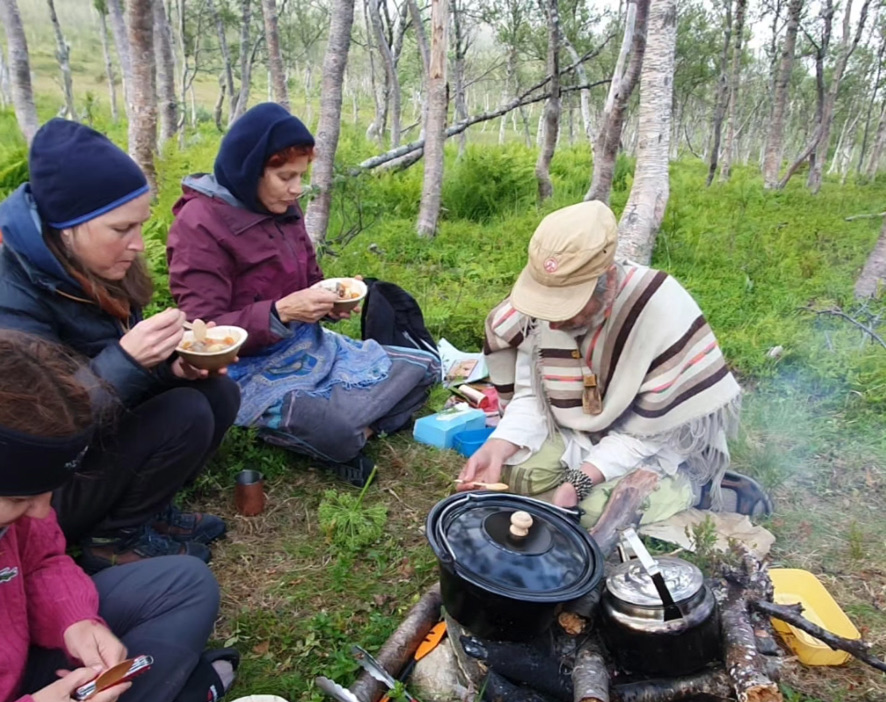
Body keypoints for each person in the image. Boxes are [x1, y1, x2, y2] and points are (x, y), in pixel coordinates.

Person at [0, 330, 239, 702]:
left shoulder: (24, 511)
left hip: (27, 681)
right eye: (17, 498)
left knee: (185, 584)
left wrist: (75, 620)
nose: (40, 512)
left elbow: (41, 561)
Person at [0, 119, 239, 573]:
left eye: (140, 226)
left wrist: (173, 368)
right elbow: (38, 431)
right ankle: (113, 540)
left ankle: (149, 510)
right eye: (120, 229)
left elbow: (117, 381)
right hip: (39, 492)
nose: (136, 245)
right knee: (182, 413)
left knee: (215, 392)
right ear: (66, 229)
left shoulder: (96, 266)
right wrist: (129, 359)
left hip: (92, 438)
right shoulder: (11, 297)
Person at [166, 102, 440, 487]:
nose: (297, 188)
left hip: (310, 346)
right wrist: (280, 312)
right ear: (248, 170)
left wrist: (330, 302)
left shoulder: (284, 206)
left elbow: (310, 278)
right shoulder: (199, 224)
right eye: (284, 176)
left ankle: (356, 430)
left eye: (301, 176)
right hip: (248, 369)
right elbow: (204, 330)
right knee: (336, 432)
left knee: (424, 365)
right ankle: (346, 432)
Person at [458, 201, 771, 526]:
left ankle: (694, 488)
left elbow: (646, 434)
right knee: (510, 474)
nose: (551, 325)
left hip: (653, 439)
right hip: (574, 430)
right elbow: (531, 398)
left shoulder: (659, 311)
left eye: (567, 307)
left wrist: (578, 482)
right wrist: (499, 444)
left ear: (606, 280)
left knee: (596, 512)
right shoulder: (541, 311)